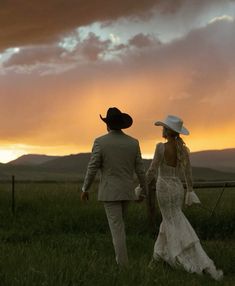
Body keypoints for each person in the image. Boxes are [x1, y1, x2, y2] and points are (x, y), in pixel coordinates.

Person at [146, 115, 223, 281]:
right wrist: (190, 190)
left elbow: (152, 171)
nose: (162, 130)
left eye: (163, 127)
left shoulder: (160, 147)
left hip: (164, 188)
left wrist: (140, 186)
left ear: (167, 130)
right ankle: (158, 256)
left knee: (169, 220)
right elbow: (188, 174)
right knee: (171, 220)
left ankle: (179, 258)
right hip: (176, 188)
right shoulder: (183, 150)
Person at [81, 107, 147, 266]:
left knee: (117, 228)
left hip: (110, 192)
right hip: (127, 191)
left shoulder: (100, 142)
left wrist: (85, 188)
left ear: (107, 124)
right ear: (122, 124)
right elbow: (140, 169)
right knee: (120, 226)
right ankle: (122, 262)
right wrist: (143, 189)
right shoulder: (133, 142)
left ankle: (123, 265)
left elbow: (93, 167)